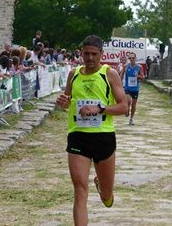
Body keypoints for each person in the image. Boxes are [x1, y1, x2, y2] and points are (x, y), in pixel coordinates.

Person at [56, 35, 127, 226]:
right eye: (85, 53)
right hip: (78, 137)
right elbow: (67, 101)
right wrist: (62, 103)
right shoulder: (74, 74)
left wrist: (100, 109)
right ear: (81, 53)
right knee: (80, 190)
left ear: (101, 54)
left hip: (103, 138)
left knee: (107, 196)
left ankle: (104, 190)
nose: (89, 58)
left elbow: (123, 107)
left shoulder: (109, 74)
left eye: (93, 54)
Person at [122, 52, 145, 125]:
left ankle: (131, 119)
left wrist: (138, 76)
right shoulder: (125, 66)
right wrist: (119, 83)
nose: (131, 59)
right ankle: (127, 109)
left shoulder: (139, 67)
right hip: (127, 87)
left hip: (135, 89)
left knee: (134, 105)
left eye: (133, 58)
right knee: (128, 101)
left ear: (135, 58)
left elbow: (143, 77)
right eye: (130, 58)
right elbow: (121, 75)